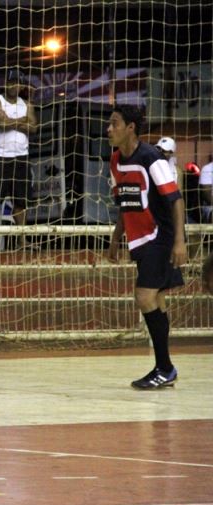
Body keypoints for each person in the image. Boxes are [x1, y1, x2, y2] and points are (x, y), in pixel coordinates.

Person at [105, 105, 187, 390]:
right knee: (157, 300)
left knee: (144, 296)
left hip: (159, 237)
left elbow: (176, 200)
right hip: (139, 241)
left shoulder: (152, 158)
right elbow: (124, 204)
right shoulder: (115, 161)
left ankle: (164, 367)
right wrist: (116, 239)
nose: (109, 129)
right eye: (109, 124)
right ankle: (165, 369)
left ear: (131, 128)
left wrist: (179, 241)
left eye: (114, 123)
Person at [0, 68, 38, 250]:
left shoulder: (27, 105)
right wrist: (22, 120)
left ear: (22, 85)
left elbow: (34, 128)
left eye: (18, 82)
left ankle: (23, 240)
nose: (15, 85)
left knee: (21, 202)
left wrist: (11, 121)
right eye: (11, 81)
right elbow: (1, 124)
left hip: (21, 157)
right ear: (6, 83)